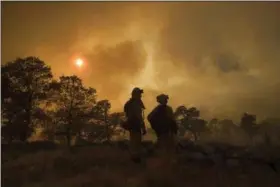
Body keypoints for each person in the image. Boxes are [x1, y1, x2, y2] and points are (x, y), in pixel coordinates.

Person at [147, 94, 178, 164]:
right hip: (164, 131)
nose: (166, 100)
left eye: (166, 99)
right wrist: (157, 127)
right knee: (165, 146)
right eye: (165, 99)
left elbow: (172, 120)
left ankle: (168, 161)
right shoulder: (160, 109)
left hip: (167, 131)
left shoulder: (166, 109)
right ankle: (165, 162)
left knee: (169, 146)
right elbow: (150, 117)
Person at [123, 87, 147, 163]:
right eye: (139, 94)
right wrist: (143, 127)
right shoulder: (135, 103)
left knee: (134, 142)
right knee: (136, 142)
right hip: (135, 125)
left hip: (132, 125)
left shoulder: (129, 103)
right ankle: (135, 160)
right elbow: (139, 116)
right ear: (135, 94)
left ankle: (134, 159)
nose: (140, 95)